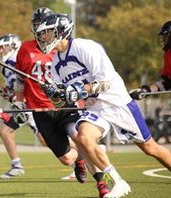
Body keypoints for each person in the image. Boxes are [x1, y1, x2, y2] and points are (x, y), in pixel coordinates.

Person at [36, 13, 171, 197]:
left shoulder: (84, 47)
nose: (43, 37)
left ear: (61, 31)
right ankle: (118, 182)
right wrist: (54, 94)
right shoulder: (55, 64)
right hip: (95, 107)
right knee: (82, 137)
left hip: (117, 102)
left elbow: (106, 81)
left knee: (150, 148)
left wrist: (80, 89)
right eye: (42, 34)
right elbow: (62, 102)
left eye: (47, 32)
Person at [14, 8, 109, 197]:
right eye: (37, 26)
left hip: (64, 106)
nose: (42, 32)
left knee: (78, 136)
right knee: (67, 158)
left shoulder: (60, 50)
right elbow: (19, 81)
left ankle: (102, 184)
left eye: (45, 28)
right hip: (40, 111)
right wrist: (19, 102)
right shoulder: (25, 49)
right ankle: (79, 160)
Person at [0, 33, 44, 179]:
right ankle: (16, 166)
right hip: (23, 106)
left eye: (4, 46)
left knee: (45, 140)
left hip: (31, 105)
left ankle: (80, 157)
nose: (1, 50)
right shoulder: (5, 66)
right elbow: (13, 92)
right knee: (5, 131)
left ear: (14, 45)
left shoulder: (16, 60)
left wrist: (14, 96)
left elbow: (28, 85)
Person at [129, 20, 171, 99]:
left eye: (166, 36)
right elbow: (167, 83)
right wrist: (145, 91)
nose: (163, 39)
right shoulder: (168, 55)